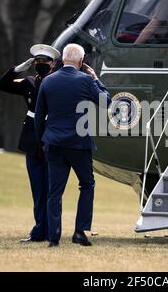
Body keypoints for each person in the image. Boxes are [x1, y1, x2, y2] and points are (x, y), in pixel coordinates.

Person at [34, 44, 111, 248]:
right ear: (81, 60)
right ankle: (79, 231)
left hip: (54, 142)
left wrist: (43, 140)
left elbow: (39, 116)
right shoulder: (86, 80)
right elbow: (106, 102)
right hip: (79, 143)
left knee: (54, 191)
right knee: (86, 185)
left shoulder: (48, 81)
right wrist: (96, 78)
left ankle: (53, 237)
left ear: (63, 59)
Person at [0, 44, 60, 243]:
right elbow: (2, 85)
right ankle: (39, 230)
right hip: (32, 142)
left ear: (53, 63)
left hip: (51, 140)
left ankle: (52, 231)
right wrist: (16, 70)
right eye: (38, 61)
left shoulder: (59, 83)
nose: (41, 64)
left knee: (51, 190)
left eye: (45, 61)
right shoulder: (29, 82)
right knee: (38, 190)